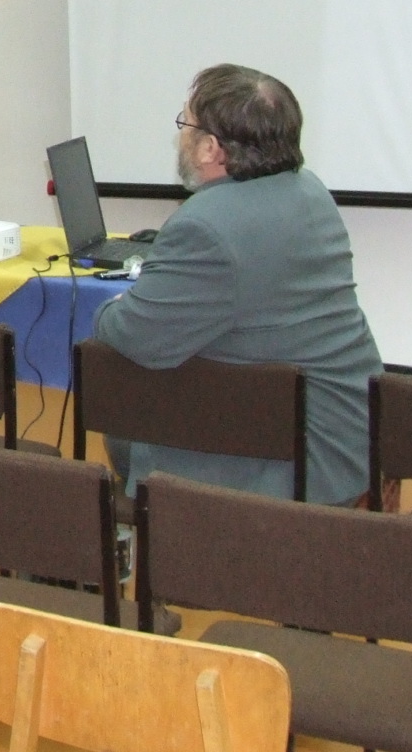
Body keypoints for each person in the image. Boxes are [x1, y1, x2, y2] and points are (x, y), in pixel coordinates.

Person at [90, 64, 385, 506]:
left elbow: (135, 337)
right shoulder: (309, 190)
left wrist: (110, 304)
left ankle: (159, 533)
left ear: (211, 148)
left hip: (296, 461)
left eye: (185, 123)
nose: (181, 136)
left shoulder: (205, 226)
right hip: (350, 434)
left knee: (125, 411)